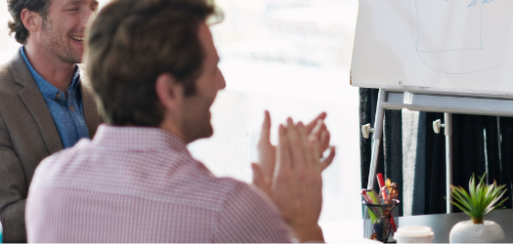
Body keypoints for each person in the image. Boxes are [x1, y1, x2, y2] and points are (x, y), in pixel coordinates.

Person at [24, 0, 337, 242]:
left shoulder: (50, 182)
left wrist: (260, 212)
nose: (222, 82)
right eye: (212, 68)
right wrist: (301, 223)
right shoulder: (225, 208)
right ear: (171, 91)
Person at [0, 0, 103, 241]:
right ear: (31, 20)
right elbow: (9, 219)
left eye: (93, 7)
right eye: (74, 8)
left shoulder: (105, 87)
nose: (91, 21)